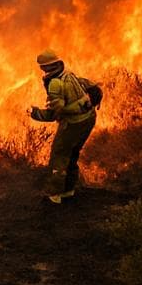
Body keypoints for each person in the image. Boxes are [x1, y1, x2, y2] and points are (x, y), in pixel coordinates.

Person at [27, 50, 99, 204]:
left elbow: (54, 113)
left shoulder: (55, 83)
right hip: (89, 119)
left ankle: (54, 195)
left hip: (73, 124)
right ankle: (68, 190)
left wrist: (34, 113)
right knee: (73, 154)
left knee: (59, 158)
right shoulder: (68, 74)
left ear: (45, 68)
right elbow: (90, 86)